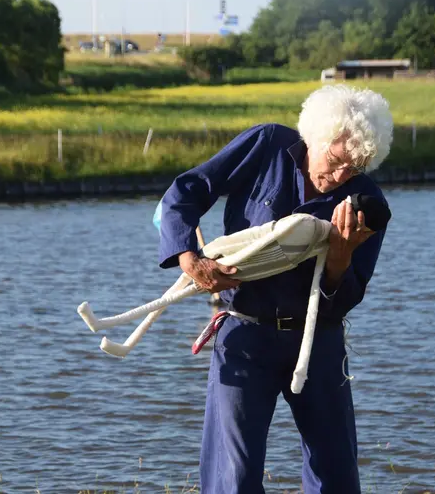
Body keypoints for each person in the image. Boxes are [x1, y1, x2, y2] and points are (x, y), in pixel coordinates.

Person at [157, 84, 394, 494]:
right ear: (313, 138)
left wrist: (340, 259)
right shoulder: (267, 144)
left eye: (353, 169)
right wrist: (190, 259)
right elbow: (185, 192)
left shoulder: (368, 203)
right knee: (233, 476)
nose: (339, 178)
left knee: (335, 473)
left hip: (317, 340)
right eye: (336, 161)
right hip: (245, 331)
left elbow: (348, 296)